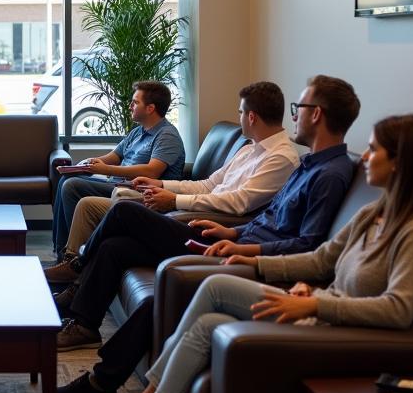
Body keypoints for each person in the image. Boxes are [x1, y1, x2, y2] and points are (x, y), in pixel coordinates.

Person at [81, 113, 413, 393]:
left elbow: (399, 310)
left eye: (374, 150)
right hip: (321, 312)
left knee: (214, 286)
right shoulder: (375, 212)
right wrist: (250, 253)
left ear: (402, 162)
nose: (366, 157)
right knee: (210, 323)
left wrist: (314, 302)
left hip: (344, 332)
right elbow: (323, 258)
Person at [52, 75, 360, 354]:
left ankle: (78, 265)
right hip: (226, 233)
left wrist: (182, 205)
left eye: (300, 106)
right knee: (112, 248)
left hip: (231, 242)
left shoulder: (294, 162)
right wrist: (167, 188)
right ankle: (84, 325)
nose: (294, 115)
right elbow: (215, 186)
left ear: (316, 113)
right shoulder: (265, 153)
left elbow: (253, 211)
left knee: (123, 211)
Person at [51, 81, 300, 281]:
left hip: (209, 223)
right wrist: (163, 187)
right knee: (108, 236)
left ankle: (76, 267)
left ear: (252, 117)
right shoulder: (249, 150)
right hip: (192, 209)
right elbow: (208, 184)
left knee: (121, 206)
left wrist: (175, 200)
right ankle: (75, 274)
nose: (239, 118)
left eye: (240, 113)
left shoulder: (281, 158)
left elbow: (239, 203)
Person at [51, 81, 185, 258]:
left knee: (72, 186)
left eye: (135, 102)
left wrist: (107, 169)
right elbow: (114, 156)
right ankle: (62, 251)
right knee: (66, 180)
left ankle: (72, 257)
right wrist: (90, 163)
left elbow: (152, 171)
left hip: (137, 191)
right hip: (118, 186)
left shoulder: (167, 135)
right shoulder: (138, 131)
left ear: (150, 108)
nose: (130, 106)